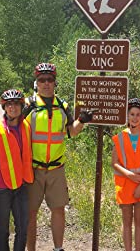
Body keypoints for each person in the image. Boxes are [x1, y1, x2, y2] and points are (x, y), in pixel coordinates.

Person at [24, 63, 94, 251]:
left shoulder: (63, 106)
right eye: (42, 80)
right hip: (33, 169)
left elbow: (71, 132)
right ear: (36, 83)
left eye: (50, 80)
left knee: (58, 209)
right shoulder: (28, 106)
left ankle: (58, 248)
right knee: (30, 213)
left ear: (55, 83)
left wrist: (82, 121)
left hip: (56, 168)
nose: (46, 83)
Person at [0, 89, 34, 251]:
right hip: (1, 188)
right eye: (9, 104)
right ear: (4, 107)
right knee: (3, 230)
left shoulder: (26, 126)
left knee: (23, 228)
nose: (13, 107)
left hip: (21, 186)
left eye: (16, 104)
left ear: (21, 106)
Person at [112, 98, 140, 251]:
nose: (135, 118)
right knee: (127, 222)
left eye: (138, 115)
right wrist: (130, 175)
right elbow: (114, 162)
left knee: (139, 222)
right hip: (124, 183)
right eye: (132, 114)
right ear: (127, 116)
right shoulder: (119, 137)